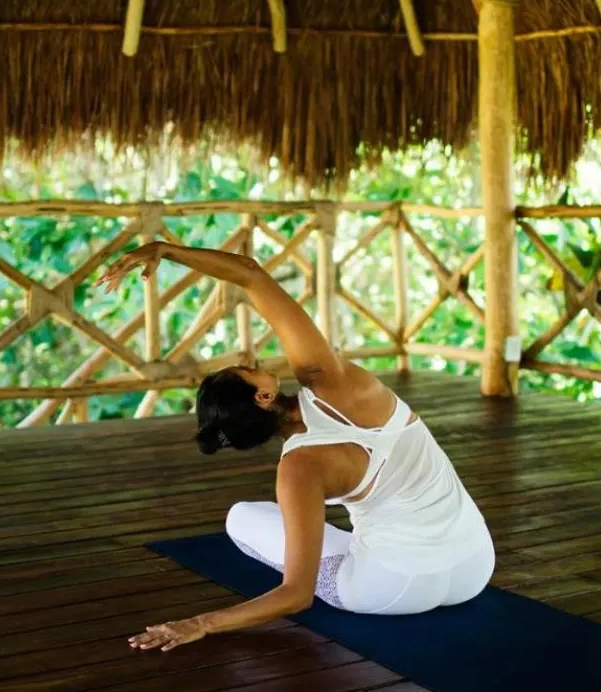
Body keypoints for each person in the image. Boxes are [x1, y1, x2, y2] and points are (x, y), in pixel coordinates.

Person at [97, 240, 495, 653]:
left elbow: (296, 595)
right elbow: (251, 274)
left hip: (390, 591)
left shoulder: (297, 470)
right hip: (475, 565)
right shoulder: (333, 381)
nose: (250, 358)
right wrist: (164, 250)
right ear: (263, 398)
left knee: (242, 518)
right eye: (246, 369)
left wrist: (201, 623)